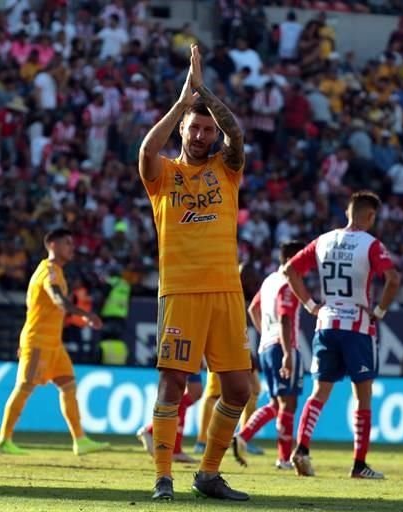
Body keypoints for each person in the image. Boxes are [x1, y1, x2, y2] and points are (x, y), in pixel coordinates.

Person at [139, 44, 250, 501]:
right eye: (195, 127)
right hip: (181, 291)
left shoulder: (227, 169)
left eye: (208, 129)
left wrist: (203, 92)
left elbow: (237, 136)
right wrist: (182, 103)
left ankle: (207, 474)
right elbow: (147, 148)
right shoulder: (164, 174)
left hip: (226, 289)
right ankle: (163, 476)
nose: (202, 134)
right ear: (182, 129)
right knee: (173, 383)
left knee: (239, 391)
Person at [283, 191, 401, 479]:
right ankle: (359, 465)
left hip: (326, 323)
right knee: (363, 397)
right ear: (370, 216)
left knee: (318, 393)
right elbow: (394, 279)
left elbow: (290, 270)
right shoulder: (371, 244)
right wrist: (380, 312)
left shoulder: (323, 240)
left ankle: (302, 449)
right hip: (357, 326)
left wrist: (311, 305)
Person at [0, 228, 111, 457]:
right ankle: (3, 440)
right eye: (67, 243)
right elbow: (58, 298)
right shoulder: (49, 271)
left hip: (53, 343)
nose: (72, 247)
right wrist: (84, 314)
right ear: (53, 245)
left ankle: (80, 440)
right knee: (25, 387)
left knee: (68, 385)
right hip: (38, 341)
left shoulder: (54, 270)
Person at [232, 241, 306, 470]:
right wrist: (286, 351)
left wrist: (266, 335)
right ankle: (283, 459)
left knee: (276, 403)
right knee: (288, 404)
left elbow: (253, 309)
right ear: (293, 258)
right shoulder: (289, 282)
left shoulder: (269, 281)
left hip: (266, 346)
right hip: (283, 346)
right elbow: (285, 318)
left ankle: (243, 436)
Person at [136, 374, 203, 464]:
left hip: (194, 360)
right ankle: (152, 432)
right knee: (179, 392)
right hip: (182, 360)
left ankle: (174, 448)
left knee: (195, 393)